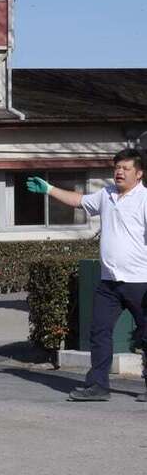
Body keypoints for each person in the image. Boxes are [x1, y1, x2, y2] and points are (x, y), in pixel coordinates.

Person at [26, 149, 147, 401]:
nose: (119, 172)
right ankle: (98, 386)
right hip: (109, 282)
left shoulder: (145, 200)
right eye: (117, 168)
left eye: (125, 168)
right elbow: (78, 200)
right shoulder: (106, 195)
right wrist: (49, 189)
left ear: (139, 173)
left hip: (140, 282)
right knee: (99, 332)